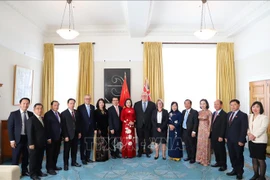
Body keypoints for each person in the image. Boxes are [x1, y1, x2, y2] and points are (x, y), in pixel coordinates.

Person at [8, 97, 33, 176]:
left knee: (26, 156)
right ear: (20, 104)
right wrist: (12, 140)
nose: (25, 105)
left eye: (27, 103)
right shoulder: (14, 114)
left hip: (27, 139)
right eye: (24, 103)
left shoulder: (31, 114)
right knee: (16, 156)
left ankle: (24, 171)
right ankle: (13, 173)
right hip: (17, 139)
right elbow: (10, 128)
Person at [225, 99, 248, 180]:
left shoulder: (243, 115)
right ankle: (234, 169)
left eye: (235, 104)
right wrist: (226, 137)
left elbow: (244, 129)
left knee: (239, 156)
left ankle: (240, 172)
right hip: (229, 140)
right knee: (232, 156)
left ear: (238, 105)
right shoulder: (228, 114)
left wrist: (242, 140)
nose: (233, 106)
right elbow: (227, 127)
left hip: (238, 141)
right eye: (231, 105)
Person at [248, 101, 269, 180]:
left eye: (257, 107)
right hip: (251, 141)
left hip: (260, 141)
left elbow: (263, 128)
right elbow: (247, 127)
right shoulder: (249, 116)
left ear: (261, 108)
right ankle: (255, 174)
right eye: (253, 107)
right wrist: (249, 134)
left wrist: (254, 135)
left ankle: (262, 176)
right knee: (254, 158)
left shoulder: (264, 117)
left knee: (261, 159)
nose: (255, 108)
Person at [26, 103, 47, 180]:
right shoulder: (31, 119)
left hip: (41, 143)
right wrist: (31, 143)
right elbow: (29, 132)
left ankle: (38, 171)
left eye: (41, 108)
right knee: (33, 160)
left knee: (39, 159)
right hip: (33, 144)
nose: (40, 110)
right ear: (34, 110)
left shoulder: (41, 118)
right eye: (38, 108)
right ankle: (33, 174)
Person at [61, 98, 81, 171]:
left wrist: (79, 132)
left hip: (75, 135)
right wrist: (65, 136)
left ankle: (74, 162)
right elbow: (63, 126)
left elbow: (78, 123)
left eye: (73, 103)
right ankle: (65, 164)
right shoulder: (63, 113)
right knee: (66, 151)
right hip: (68, 136)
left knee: (74, 150)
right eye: (71, 103)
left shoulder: (76, 112)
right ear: (68, 104)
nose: (72, 105)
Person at [134, 92, 156, 158]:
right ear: (141, 97)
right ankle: (140, 152)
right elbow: (134, 115)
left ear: (147, 96)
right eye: (142, 95)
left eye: (145, 95)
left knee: (147, 140)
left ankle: (147, 152)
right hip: (139, 125)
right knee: (140, 139)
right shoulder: (136, 104)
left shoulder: (152, 104)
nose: (144, 97)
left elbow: (154, 115)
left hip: (148, 125)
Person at [44, 100, 62, 175]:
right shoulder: (48, 114)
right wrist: (48, 138)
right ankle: (49, 168)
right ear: (51, 106)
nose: (56, 106)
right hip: (51, 138)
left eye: (57, 105)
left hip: (58, 137)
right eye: (55, 105)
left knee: (56, 153)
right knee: (50, 154)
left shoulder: (59, 114)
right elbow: (46, 127)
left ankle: (54, 166)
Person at [76, 95, 96, 164]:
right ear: (84, 99)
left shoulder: (93, 107)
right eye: (86, 99)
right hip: (83, 129)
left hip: (91, 129)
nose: (88, 100)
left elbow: (93, 119)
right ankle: (83, 158)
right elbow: (78, 120)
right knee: (83, 144)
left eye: (89, 99)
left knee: (89, 144)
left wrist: (94, 128)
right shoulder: (80, 107)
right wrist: (79, 131)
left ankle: (88, 157)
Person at [210, 100, 227, 171]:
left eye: (217, 104)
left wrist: (221, 136)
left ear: (221, 105)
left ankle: (223, 165)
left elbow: (224, 126)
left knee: (221, 150)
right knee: (216, 150)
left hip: (220, 136)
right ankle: (218, 162)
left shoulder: (224, 114)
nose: (215, 105)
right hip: (213, 135)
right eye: (214, 104)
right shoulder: (214, 113)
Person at [182, 99, 198, 164]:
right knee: (187, 145)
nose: (186, 105)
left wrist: (194, 131)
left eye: (188, 103)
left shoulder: (194, 112)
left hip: (191, 131)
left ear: (191, 104)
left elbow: (196, 123)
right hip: (184, 130)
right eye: (185, 103)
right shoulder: (183, 111)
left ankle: (193, 158)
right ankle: (188, 156)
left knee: (192, 145)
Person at [196, 99, 212, 166]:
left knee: (206, 145)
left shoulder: (209, 112)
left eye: (204, 103)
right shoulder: (199, 112)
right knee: (200, 144)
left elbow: (210, 123)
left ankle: (205, 160)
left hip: (206, 130)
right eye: (201, 103)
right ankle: (199, 159)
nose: (202, 105)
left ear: (206, 104)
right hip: (200, 130)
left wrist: (209, 131)